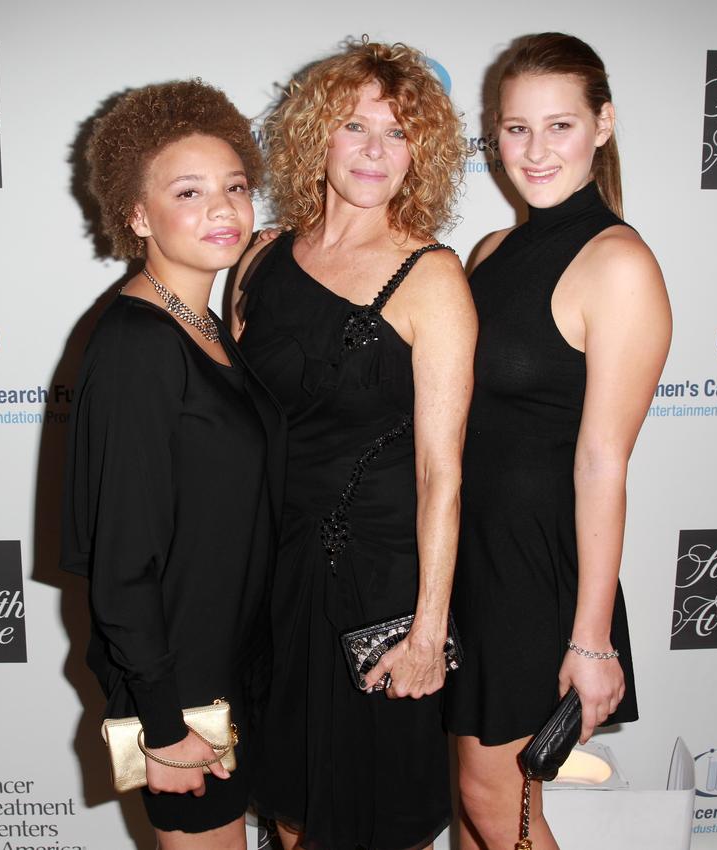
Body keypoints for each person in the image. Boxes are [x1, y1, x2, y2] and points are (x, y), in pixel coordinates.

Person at [232, 40, 476, 850]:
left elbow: (444, 473)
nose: (376, 150)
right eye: (355, 126)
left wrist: (428, 631)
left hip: (378, 586)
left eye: (399, 133)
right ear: (316, 137)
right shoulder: (263, 258)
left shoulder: (431, 277)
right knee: (292, 806)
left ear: (423, 153)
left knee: (380, 816)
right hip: (274, 575)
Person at [443, 33, 672, 850]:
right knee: (473, 802)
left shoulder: (619, 265)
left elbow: (603, 461)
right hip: (466, 558)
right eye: (514, 129)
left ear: (603, 125)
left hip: (536, 570)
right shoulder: (491, 252)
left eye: (560, 126)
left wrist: (592, 637)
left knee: (494, 794)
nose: (534, 151)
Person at [60, 80, 283, 850]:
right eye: (189, 192)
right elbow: (121, 562)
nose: (222, 209)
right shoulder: (136, 347)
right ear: (136, 213)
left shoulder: (207, 328)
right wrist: (163, 724)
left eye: (235, 187)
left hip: (237, 669)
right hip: (185, 696)